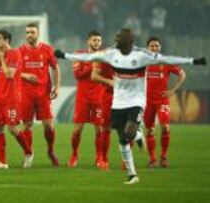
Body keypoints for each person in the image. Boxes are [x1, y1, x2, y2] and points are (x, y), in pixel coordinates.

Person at [55, 28, 206, 184]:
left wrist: (193, 61)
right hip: (117, 101)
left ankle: (132, 164)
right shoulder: (111, 53)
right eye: (117, 40)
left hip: (136, 100)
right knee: (119, 135)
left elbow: (168, 59)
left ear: (129, 42)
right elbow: (88, 57)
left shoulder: (142, 55)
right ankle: (131, 159)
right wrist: (64, 55)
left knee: (127, 133)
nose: (118, 42)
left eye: (121, 40)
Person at [0, 30, 33, 169]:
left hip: (11, 97)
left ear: (7, 40)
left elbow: (9, 75)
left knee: (13, 129)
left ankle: (28, 152)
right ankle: (2, 162)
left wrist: (1, 59)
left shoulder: (15, 54)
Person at [18, 23, 61, 166]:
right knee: (27, 125)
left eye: (32, 32)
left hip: (43, 93)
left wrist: (57, 86)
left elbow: (56, 68)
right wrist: (25, 75)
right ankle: (28, 154)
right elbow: (14, 72)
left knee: (48, 125)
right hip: (26, 93)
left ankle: (50, 150)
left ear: (38, 33)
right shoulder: (19, 51)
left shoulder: (47, 49)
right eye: (27, 32)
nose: (30, 35)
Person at [68, 31, 108, 169]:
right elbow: (78, 75)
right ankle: (74, 155)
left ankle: (99, 157)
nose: (97, 43)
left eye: (99, 40)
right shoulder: (79, 55)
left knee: (99, 130)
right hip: (83, 98)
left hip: (99, 98)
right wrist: (92, 65)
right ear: (88, 41)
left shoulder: (105, 57)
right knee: (77, 130)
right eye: (94, 40)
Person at [144, 36, 186, 168]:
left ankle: (163, 157)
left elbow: (182, 74)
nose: (154, 48)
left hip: (162, 100)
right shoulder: (143, 62)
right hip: (147, 101)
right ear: (148, 48)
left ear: (160, 47)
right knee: (149, 130)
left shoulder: (166, 62)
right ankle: (152, 159)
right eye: (152, 46)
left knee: (165, 127)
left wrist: (172, 90)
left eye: (156, 46)